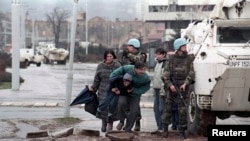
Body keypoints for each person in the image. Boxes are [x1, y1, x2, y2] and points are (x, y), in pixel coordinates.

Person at [161, 38, 195, 139]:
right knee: (167, 108)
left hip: (183, 86)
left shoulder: (189, 59)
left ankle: (182, 130)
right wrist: (170, 85)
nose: (185, 47)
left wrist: (186, 83)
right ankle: (165, 129)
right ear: (178, 47)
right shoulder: (171, 59)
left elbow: (191, 73)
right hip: (171, 85)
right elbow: (165, 74)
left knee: (182, 109)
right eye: (183, 45)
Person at [110, 61, 150, 132]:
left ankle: (128, 128)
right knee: (122, 103)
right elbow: (112, 76)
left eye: (144, 69)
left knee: (134, 111)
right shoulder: (126, 69)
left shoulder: (145, 77)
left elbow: (146, 87)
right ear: (135, 69)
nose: (142, 71)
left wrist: (135, 90)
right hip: (124, 91)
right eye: (141, 69)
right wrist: (117, 86)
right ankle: (122, 121)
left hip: (135, 93)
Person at [89, 49, 121, 132]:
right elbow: (96, 79)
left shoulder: (117, 66)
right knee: (103, 107)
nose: (109, 58)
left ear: (113, 56)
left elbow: (121, 78)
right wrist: (93, 87)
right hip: (102, 90)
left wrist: (118, 88)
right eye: (108, 56)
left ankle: (110, 124)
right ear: (105, 57)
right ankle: (104, 123)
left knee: (112, 107)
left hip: (113, 90)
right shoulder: (100, 66)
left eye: (111, 56)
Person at [118, 38, 147, 131]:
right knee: (123, 103)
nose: (128, 48)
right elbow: (122, 65)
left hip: (136, 82)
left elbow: (138, 62)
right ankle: (124, 121)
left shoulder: (142, 55)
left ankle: (137, 121)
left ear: (135, 47)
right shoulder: (126, 55)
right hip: (126, 82)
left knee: (135, 104)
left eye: (130, 46)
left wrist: (128, 55)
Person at [150, 48, 168, 134]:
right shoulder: (157, 63)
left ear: (163, 54)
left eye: (158, 54)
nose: (156, 56)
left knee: (162, 109)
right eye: (156, 54)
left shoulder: (165, 64)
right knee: (156, 109)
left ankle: (164, 128)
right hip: (156, 89)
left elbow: (164, 79)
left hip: (162, 90)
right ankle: (159, 127)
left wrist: (163, 90)